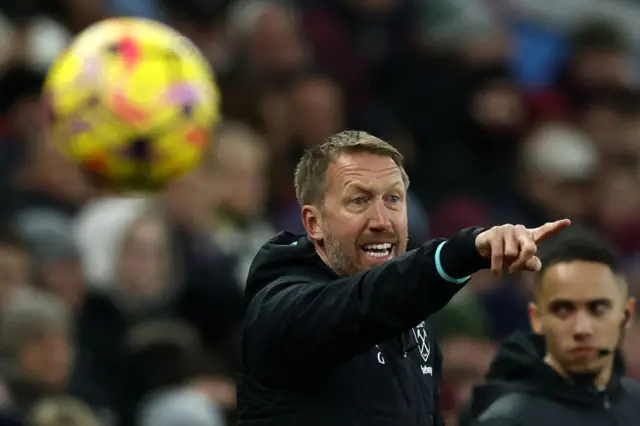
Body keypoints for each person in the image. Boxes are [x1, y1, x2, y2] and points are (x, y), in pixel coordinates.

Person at [237, 130, 569, 426]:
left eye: (393, 199)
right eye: (359, 200)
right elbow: (362, 303)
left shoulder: (415, 322)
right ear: (314, 223)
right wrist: (462, 254)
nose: (382, 220)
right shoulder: (280, 307)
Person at [468, 233, 640, 426]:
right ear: (536, 318)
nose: (582, 328)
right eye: (563, 310)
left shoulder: (635, 404)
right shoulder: (507, 420)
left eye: (598, 309)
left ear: (626, 315)